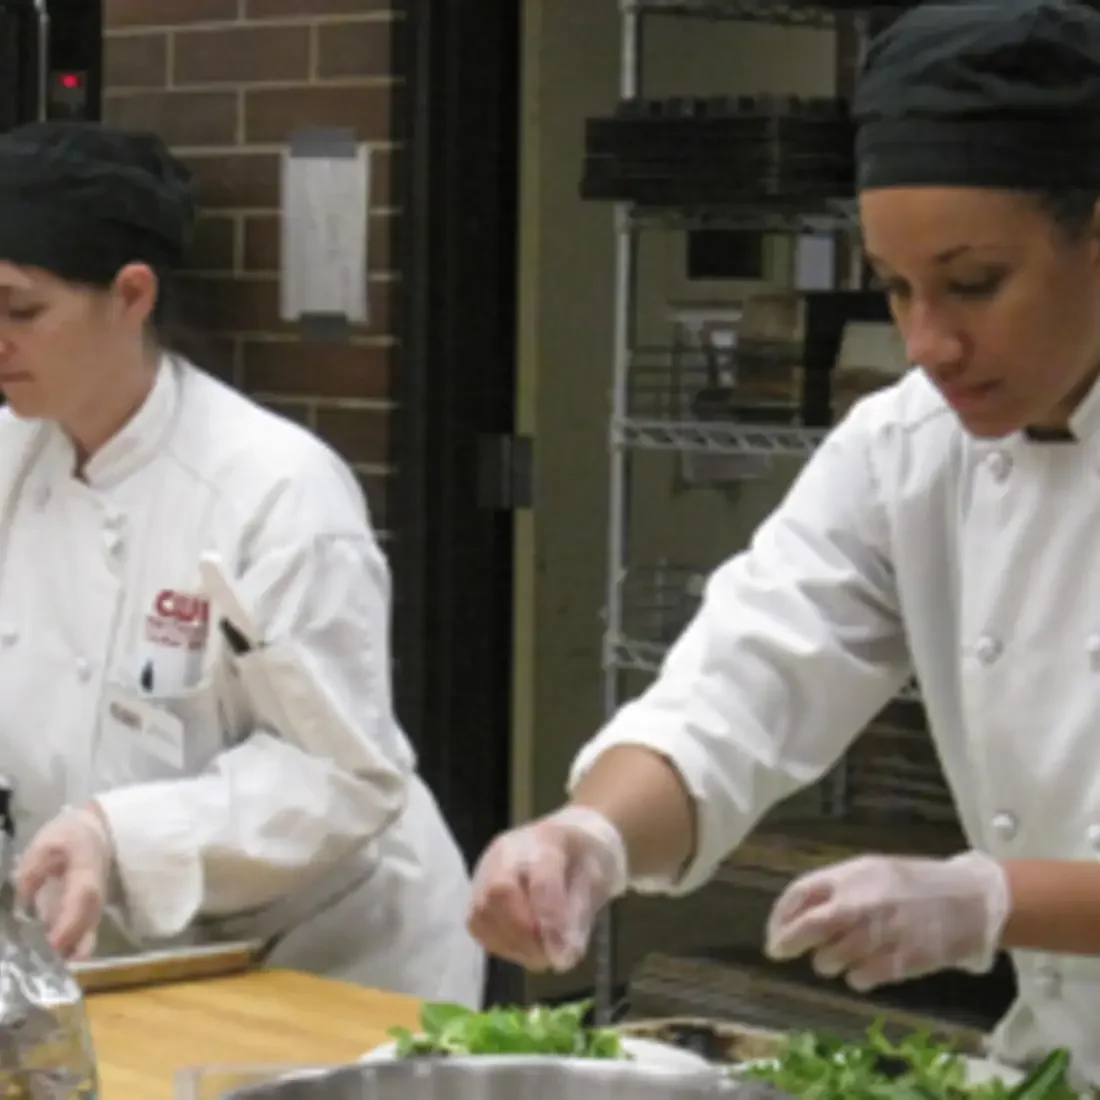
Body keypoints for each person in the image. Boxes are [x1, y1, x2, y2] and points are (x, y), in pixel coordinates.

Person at [469, 0, 1100, 1077]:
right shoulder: (907, 446)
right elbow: (748, 673)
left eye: (972, 284)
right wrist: (589, 837)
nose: (926, 342)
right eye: (895, 287)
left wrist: (992, 899)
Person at [0, 119, 484, 1006]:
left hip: (333, 956)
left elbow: (338, 776)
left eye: (20, 311)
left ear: (131, 296)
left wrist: (116, 832)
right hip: (130, 955)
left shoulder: (275, 493)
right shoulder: (10, 457)